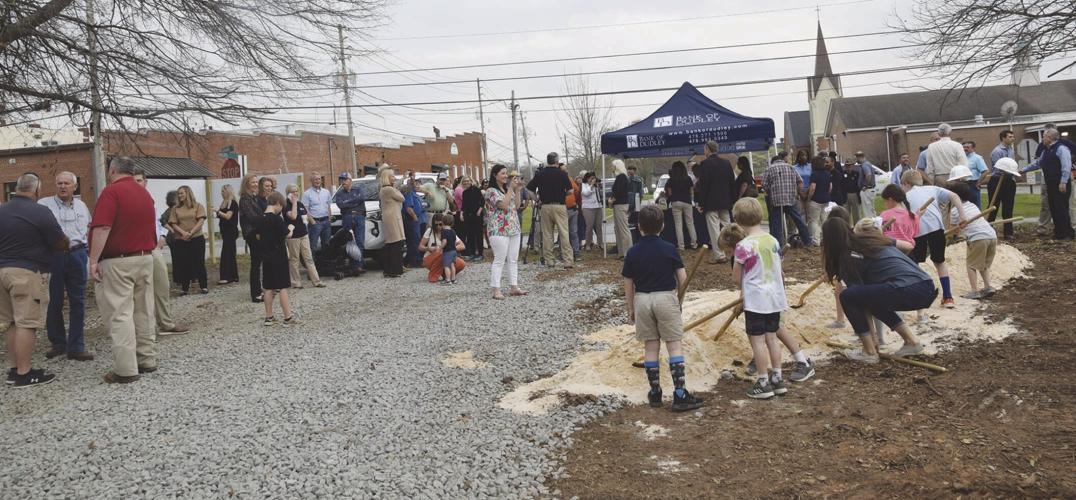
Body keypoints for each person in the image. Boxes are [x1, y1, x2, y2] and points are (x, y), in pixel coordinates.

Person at [622, 204, 704, 412]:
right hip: (666, 298)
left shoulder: (632, 252)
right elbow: (683, 278)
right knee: (674, 346)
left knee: (650, 346)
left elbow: (628, 283)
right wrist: (680, 301)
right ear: (663, 225)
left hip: (642, 299)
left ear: (639, 227)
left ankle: (655, 392)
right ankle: (679, 394)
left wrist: (630, 308)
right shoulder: (669, 249)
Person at [821, 216, 930, 363]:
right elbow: (866, 300)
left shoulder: (849, 255)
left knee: (847, 296)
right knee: (871, 298)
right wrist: (874, 339)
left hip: (907, 287)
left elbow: (857, 300)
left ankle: (869, 352)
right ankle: (911, 342)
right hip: (925, 285)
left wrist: (871, 344)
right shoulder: (868, 240)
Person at [88, 157, 158, 384]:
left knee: (120, 313)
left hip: (118, 260)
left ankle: (126, 369)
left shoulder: (111, 193)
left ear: (113, 170)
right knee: (143, 310)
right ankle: (146, 357)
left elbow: (102, 227)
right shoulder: (144, 193)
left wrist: (93, 260)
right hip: (145, 257)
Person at [728, 197, 800, 399]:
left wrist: (742, 286)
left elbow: (736, 276)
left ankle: (762, 381)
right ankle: (777, 378)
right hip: (774, 298)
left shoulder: (743, 246)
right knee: (771, 338)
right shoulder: (773, 240)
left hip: (756, 301)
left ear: (738, 220)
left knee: (757, 341)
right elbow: (778, 267)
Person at [2, 173, 66, 387]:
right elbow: (59, 242)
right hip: (27, 272)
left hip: (1, 271)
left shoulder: (1, 210)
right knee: (27, 323)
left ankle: (13, 369)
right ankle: (24, 373)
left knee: (11, 322)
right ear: (37, 190)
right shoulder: (39, 211)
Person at [38, 171, 93, 361]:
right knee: (54, 301)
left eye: (67, 183)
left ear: (74, 186)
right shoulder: (44, 205)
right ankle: (58, 343)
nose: (63, 186)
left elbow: (88, 229)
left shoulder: (82, 205)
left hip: (77, 254)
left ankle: (76, 346)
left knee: (78, 301)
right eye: (59, 183)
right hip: (54, 256)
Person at [132, 171, 189, 337]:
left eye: (140, 180)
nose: (137, 183)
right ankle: (143, 329)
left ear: (145, 181)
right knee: (141, 291)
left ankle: (166, 323)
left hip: (154, 247)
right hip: (136, 250)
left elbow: (158, 223)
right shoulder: (127, 200)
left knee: (162, 285)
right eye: (134, 180)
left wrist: (163, 235)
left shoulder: (149, 200)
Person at [901, 170, 968, 309]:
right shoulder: (932, 189)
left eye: (902, 185)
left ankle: (918, 297)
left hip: (917, 231)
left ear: (906, 183)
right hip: (936, 229)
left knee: (915, 263)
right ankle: (948, 297)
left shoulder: (904, 196)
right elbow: (954, 196)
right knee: (940, 262)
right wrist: (962, 216)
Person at [1020, 128, 1074, 241]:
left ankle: (1067, 234)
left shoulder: (1061, 149)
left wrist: (1063, 181)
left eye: (1044, 136)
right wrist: (1024, 170)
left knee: (1062, 208)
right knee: (1054, 208)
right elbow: (1038, 163)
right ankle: (1059, 232)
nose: (1042, 139)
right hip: (1050, 183)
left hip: (1060, 183)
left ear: (1050, 138)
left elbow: (1066, 166)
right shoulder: (1046, 150)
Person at [946, 182, 998, 299]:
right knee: (983, 264)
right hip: (991, 236)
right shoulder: (973, 206)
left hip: (978, 238)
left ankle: (974, 291)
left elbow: (953, 231)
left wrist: (948, 235)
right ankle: (988, 286)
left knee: (971, 265)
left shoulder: (955, 211)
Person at [526, 152, 574, 267]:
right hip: (560, 206)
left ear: (548, 161)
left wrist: (537, 200)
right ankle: (567, 261)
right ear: (557, 162)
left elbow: (529, 190)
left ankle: (550, 261)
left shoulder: (540, 174)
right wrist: (563, 194)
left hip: (545, 206)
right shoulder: (562, 174)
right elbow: (570, 191)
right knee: (564, 233)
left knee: (547, 234)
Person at [486, 165, 527, 299]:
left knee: (513, 259)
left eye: (506, 173)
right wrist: (510, 189)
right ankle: (495, 289)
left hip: (513, 227)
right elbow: (503, 206)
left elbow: (516, 206)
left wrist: (518, 190)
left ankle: (514, 286)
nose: (505, 176)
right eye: (502, 173)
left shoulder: (506, 189)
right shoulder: (491, 191)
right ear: (495, 175)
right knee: (499, 260)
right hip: (498, 229)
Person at [257, 192, 296, 326]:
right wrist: (291, 228)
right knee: (283, 286)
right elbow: (287, 235)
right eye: (281, 207)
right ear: (278, 204)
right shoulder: (276, 219)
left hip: (266, 256)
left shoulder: (260, 218)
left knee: (269, 287)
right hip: (278, 256)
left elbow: (257, 235)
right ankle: (288, 317)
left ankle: (269, 317)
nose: (281, 210)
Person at [695, 140, 737, 263]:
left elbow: (704, 186)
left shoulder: (705, 164)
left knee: (714, 228)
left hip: (710, 202)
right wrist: (733, 199)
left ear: (708, 149)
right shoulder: (726, 163)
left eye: (705, 149)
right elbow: (731, 183)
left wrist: (701, 203)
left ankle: (719, 255)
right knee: (728, 227)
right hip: (725, 200)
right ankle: (734, 251)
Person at [762, 152, 813, 247]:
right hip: (791, 198)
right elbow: (800, 182)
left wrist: (770, 192)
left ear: (773, 161)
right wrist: (797, 192)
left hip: (776, 200)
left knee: (776, 223)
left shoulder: (769, 169)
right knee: (798, 220)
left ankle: (778, 245)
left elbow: (764, 185)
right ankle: (807, 241)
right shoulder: (791, 167)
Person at [167, 185, 209, 295]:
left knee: (199, 262)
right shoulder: (176, 209)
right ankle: (184, 288)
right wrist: (183, 233)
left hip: (197, 238)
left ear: (188, 193)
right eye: (179, 193)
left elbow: (200, 221)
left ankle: (203, 286)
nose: (180, 195)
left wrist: (191, 232)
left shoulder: (198, 206)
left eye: (182, 193)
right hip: (182, 239)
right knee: (184, 263)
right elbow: (173, 223)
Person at [284, 184, 324, 288]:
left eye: (296, 191)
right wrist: (293, 204)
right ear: (288, 193)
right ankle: (296, 282)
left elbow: (306, 215)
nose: (295, 193)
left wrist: (314, 223)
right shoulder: (286, 205)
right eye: (293, 192)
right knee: (294, 259)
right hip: (293, 237)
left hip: (303, 234)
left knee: (309, 258)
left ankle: (317, 281)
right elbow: (293, 216)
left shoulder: (300, 204)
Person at [986, 130, 1019, 240]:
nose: (1012, 138)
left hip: (1009, 180)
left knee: (1008, 207)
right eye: (1010, 137)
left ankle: (1008, 233)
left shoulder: (1011, 149)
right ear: (1003, 138)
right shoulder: (997, 151)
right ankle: (987, 231)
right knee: (993, 206)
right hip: (997, 180)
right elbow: (998, 168)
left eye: (1013, 137)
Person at [238, 174, 265, 302]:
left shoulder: (253, 198)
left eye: (256, 182)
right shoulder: (244, 199)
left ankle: (260, 289)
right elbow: (252, 217)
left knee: (259, 262)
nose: (255, 184)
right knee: (255, 264)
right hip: (252, 234)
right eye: (252, 182)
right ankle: (256, 293)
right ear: (246, 184)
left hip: (258, 233)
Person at [333, 171, 366, 274]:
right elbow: (341, 205)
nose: (343, 182)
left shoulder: (358, 189)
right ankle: (351, 265)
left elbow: (361, 199)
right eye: (341, 180)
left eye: (345, 179)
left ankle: (358, 266)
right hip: (347, 218)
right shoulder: (339, 194)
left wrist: (347, 202)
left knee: (360, 241)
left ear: (350, 180)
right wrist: (353, 201)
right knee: (349, 242)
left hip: (359, 217)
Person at [378, 167, 406, 278]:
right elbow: (402, 198)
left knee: (391, 243)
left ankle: (390, 269)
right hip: (392, 217)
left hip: (390, 216)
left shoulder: (383, 189)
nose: (394, 178)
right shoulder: (389, 189)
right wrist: (396, 188)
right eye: (392, 176)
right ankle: (394, 270)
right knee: (395, 243)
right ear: (387, 178)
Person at [664, 161, 697, 250]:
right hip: (687, 201)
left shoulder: (671, 180)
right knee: (690, 223)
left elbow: (669, 193)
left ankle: (681, 246)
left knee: (678, 225)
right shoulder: (688, 178)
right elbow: (691, 191)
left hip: (676, 202)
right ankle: (694, 244)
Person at [925, 123, 968, 187]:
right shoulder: (957, 145)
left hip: (939, 179)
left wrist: (931, 181)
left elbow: (930, 167)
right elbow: (963, 163)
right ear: (950, 132)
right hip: (955, 178)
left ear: (939, 134)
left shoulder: (931, 147)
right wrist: (964, 179)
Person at [879, 184, 917, 253]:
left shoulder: (884, 215)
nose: (884, 204)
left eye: (885, 201)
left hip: (889, 251)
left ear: (890, 199)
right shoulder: (913, 215)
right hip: (908, 251)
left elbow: (880, 233)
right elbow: (914, 234)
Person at [301, 171, 333, 253]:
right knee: (313, 245)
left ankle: (325, 264)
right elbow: (305, 209)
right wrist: (313, 222)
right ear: (311, 181)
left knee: (327, 244)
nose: (317, 181)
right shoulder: (307, 194)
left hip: (326, 222)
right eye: (315, 179)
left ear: (321, 180)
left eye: (319, 179)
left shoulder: (326, 192)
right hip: (315, 223)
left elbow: (328, 206)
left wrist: (329, 218)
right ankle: (312, 265)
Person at [215, 184, 240, 284]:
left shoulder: (233, 203)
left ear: (228, 192)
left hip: (231, 231)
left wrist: (217, 211)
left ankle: (227, 276)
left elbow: (228, 216)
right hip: (225, 232)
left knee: (227, 253)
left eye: (223, 191)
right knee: (230, 253)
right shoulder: (224, 203)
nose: (221, 193)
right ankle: (233, 276)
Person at [609, 159, 633, 259]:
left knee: (623, 229)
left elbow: (619, 191)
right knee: (618, 229)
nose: (611, 168)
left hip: (621, 205)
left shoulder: (622, 177)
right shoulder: (619, 177)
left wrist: (612, 199)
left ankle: (628, 252)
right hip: (618, 205)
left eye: (613, 166)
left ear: (617, 166)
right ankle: (621, 252)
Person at [806, 156, 832, 244]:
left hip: (816, 200)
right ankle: (825, 239)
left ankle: (815, 240)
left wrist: (809, 198)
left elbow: (813, 187)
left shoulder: (814, 174)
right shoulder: (828, 173)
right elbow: (830, 187)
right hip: (826, 199)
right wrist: (826, 194)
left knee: (814, 220)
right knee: (824, 220)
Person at [460, 177, 486, 261]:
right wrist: (461, 213)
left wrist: (479, 210)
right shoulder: (464, 192)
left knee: (478, 235)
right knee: (470, 235)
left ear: (471, 181)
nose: (466, 182)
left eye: (467, 181)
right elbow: (463, 205)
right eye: (464, 181)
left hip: (477, 215)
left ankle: (480, 254)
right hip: (468, 215)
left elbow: (482, 201)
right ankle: (472, 253)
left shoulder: (476, 189)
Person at [402, 181, 426, 267]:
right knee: (414, 241)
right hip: (411, 220)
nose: (416, 185)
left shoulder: (416, 194)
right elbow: (408, 207)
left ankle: (410, 261)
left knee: (417, 240)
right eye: (413, 184)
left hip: (419, 219)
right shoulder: (409, 193)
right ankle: (415, 261)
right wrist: (414, 217)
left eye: (417, 183)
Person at [580, 172, 605, 251]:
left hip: (598, 207)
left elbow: (601, 194)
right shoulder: (584, 185)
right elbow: (586, 193)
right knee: (589, 227)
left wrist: (598, 186)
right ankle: (588, 244)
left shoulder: (596, 185)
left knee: (598, 226)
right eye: (591, 178)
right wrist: (591, 185)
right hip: (588, 208)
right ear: (587, 178)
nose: (592, 180)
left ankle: (600, 243)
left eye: (593, 178)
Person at [562, 163, 582, 261]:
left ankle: (576, 252)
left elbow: (577, 191)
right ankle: (565, 253)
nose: (566, 171)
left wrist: (575, 202)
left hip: (573, 209)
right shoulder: (557, 181)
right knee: (564, 233)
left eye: (566, 170)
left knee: (573, 232)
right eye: (563, 170)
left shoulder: (570, 179)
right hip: (562, 210)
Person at [963, 142, 988, 208]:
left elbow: (985, 171)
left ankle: (977, 218)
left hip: (973, 184)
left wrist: (978, 182)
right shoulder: (962, 158)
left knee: (975, 205)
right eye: (964, 147)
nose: (965, 149)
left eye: (967, 147)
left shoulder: (977, 158)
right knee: (965, 205)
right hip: (963, 184)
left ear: (973, 148)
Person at [439, 214, 462, 284]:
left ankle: (448, 280)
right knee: (452, 265)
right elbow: (454, 241)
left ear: (442, 222)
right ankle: (453, 279)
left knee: (446, 266)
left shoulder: (444, 231)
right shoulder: (453, 231)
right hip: (454, 250)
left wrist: (440, 247)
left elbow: (444, 241)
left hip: (447, 251)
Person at [855, 152, 878, 218]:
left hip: (867, 190)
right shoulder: (868, 164)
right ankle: (874, 225)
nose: (856, 160)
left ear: (859, 157)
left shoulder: (864, 165)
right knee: (871, 209)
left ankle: (870, 226)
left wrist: (866, 186)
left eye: (857, 158)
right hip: (870, 190)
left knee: (867, 211)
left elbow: (868, 175)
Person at [626, 164, 645, 242]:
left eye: (631, 169)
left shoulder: (638, 179)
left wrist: (639, 200)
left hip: (634, 200)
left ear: (634, 170)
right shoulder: (628, 179)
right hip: (631, 201)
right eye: (629, 169)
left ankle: (635, 236)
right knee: (631, 218)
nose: (630, 171)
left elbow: (641, 192)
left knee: (634, 218)